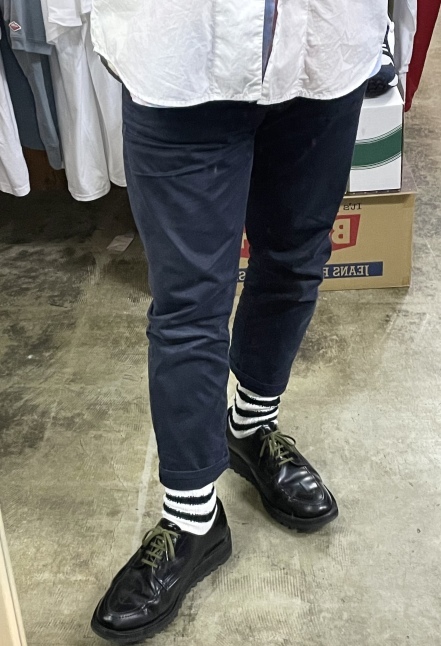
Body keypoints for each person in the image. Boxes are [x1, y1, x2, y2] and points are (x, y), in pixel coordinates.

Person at [89, 1, 388, 642]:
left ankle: (250, 427)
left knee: (295, 259)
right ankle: (193, 519)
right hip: (179, 48)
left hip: (325, 44)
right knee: (188, 304)